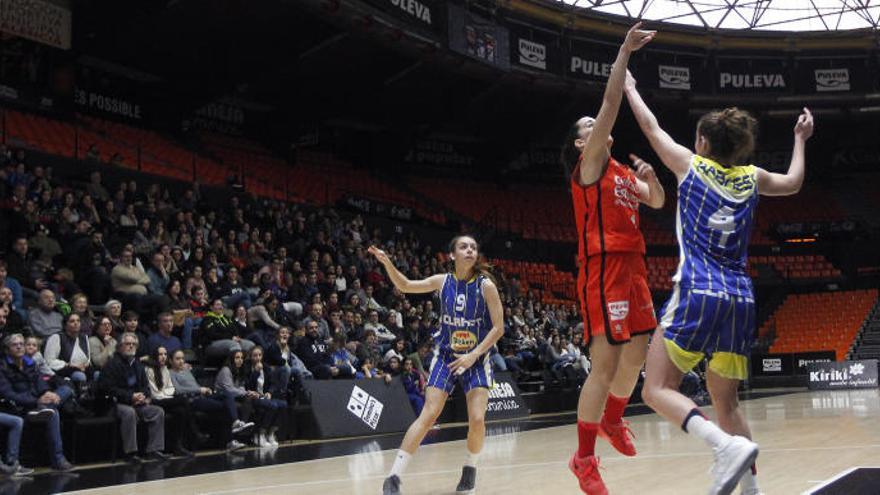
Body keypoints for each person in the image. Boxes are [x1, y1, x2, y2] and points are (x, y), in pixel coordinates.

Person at [625, 65, 814, 495]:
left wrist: (632, 87)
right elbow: (794, 183)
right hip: (740, 299)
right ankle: (751, 491)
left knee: (656, 389)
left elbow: (650, 127)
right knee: (727, 402)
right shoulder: (753, 177)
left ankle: (722, 446)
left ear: (704, 142)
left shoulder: (689, 166)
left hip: (698, 291)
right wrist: (800, 140)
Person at [559, 23, 662, 495]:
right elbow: (609, 106)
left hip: (635, 268)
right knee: (605, 364)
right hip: (603, 269)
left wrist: (653, 180)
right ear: (583, 144)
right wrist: (622, 54)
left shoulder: (621, 172)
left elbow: (656, 201)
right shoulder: (591, 165)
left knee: (639, 353)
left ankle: (613, 421)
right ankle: (583, 459)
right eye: (587, 130)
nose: (594, 129)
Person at [373, 235, 504, 495]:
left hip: (476, 359)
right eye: (464, 246)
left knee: (477, 419)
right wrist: (387, 263)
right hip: (445, 355)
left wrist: (472, 355)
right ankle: (394, 477)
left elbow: (499, 328)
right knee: (429, 414)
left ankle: (470, 469)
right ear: (452, 255)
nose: (470, 250)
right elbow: (406, 285)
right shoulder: (442, 281)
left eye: (474, 247)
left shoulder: (486, 286)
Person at [0, 334, 75, 471]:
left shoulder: (29, 362)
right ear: (7, 350)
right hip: (20, 407)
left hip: (38, 403)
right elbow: (8, 394)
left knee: (66, 389)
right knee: (53, 413)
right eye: (15, 344)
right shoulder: (3, 367)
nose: (19, 346)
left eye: (21, 344)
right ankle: (58, 460)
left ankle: (43, 407)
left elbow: (39, 380)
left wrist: (46, 392)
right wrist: (36, 400)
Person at [98, 333, 170, 464]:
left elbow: (145, 387)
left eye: (133, 344)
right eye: (127, 344)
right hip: (116, 404)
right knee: (129, 413)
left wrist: (144, 397)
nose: (131, 346)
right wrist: (130, 396)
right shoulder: (111, 365)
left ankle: (154, 450)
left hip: (137, 403)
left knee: (157, 411)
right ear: (119, 347)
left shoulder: (138, 365)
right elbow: (106, 388)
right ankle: (130, 453)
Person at [167, 349, 251, 451]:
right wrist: (199, 389)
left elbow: (201, 372)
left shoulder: (186, 370)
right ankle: (230, 441)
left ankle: (236, 422)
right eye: (177, 359)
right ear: (170, 361)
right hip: (192, 400)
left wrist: (204, 389)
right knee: (225, 407)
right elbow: (178, 390)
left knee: (227, 395)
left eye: (182, 359)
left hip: (202, 395)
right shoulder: (170, 373)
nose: (181, 361)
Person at [244, 346, 286, 447]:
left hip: (264, 396)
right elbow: (247, 385)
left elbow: (273, 383)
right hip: (253, 397)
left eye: (260, 355)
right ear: (250, 357)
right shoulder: (246, 368)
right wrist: (256, 372)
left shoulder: (266, 367)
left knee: (283, 404)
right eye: (255, 355)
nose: (258, 358)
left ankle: (271, 432)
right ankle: (261, 433)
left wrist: (270, 392)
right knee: (273, 406)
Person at [43, 313, 91, 385]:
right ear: (65, 325)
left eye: (78, 321)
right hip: (64, 371)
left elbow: (88, 358)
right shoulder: (56, 337)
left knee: (98, 374)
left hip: (84, 369)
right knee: (80, 376)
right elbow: (49, 361)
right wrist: (69, 365)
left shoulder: (84, 338)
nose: (76, 323)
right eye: (72, 321)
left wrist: (85, 365)